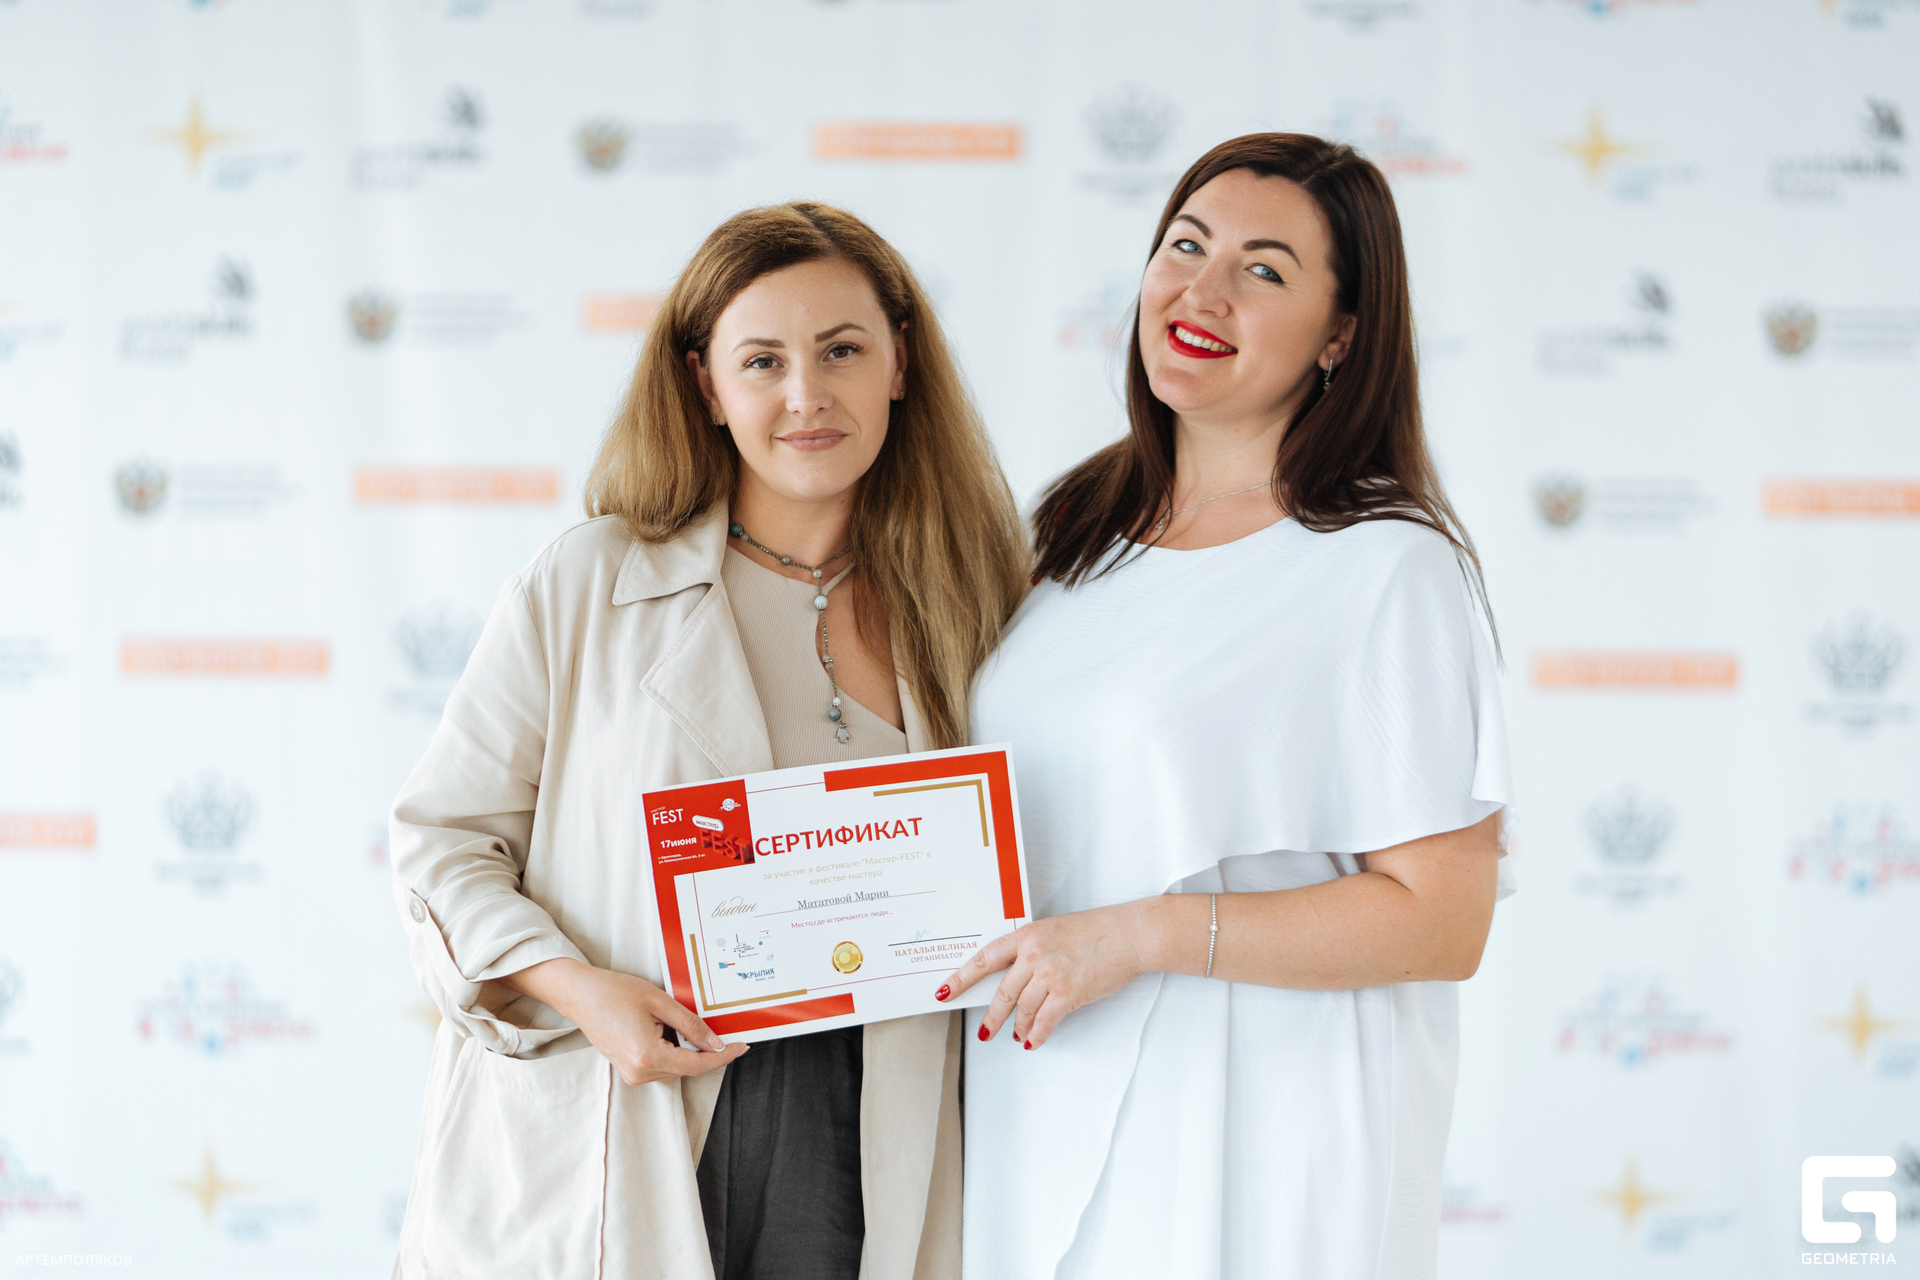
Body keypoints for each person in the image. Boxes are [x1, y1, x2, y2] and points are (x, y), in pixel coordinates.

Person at [388, 202, 1027, 1280]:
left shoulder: (975, 610)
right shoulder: (587, 584)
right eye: (763, 360)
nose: (806, 394)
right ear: (706, 385)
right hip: (633, 1094)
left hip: (860, 1122)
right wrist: (578, 987)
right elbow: (442, 843)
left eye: (841, 350)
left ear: (901, 363)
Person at [939, 134, 1515, 1280]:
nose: (1200, 292)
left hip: (1252, 1124)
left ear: (1342, 334)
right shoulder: (1075, 528)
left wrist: (1142, 934)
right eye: (1185, 246)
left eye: (1262, 269)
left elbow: (1442, 919)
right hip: (1038, 1095)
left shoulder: (1385, 567)